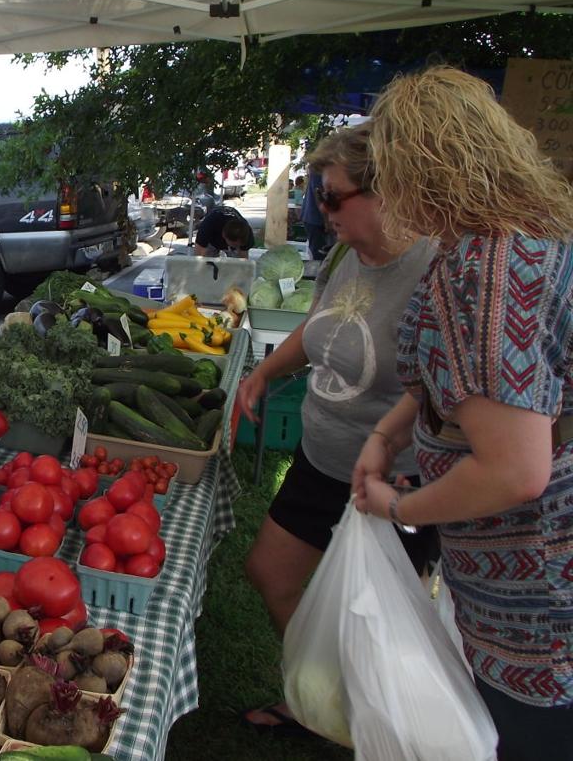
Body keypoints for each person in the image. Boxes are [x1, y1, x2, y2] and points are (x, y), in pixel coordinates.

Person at [352, 67, 573, 760]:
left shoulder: (491, 275)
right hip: (513, 580)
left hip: (538, 598)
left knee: (527, 739)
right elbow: (457, 378)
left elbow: (515, 472)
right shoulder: (510, 240)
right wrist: (386, 433)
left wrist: (396, 508)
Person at [237, 125, 437, 737]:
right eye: (318, 196)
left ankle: (379, 730)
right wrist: (266, 372)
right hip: (322, 457)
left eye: (332, 197)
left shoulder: (434, 265)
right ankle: (314, 698)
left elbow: (448, 387)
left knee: (380, 621)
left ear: (386, 191)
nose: (320, 213)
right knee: (271, 574)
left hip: (391, 480)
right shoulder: (349, 255)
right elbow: (320, 325)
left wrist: (398, 453)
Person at [300, 168, 331, 260]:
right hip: (316, 219)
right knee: (320, 255)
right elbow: (318, 194)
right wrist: (327, 221)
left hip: (315, 217)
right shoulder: (319, 168)